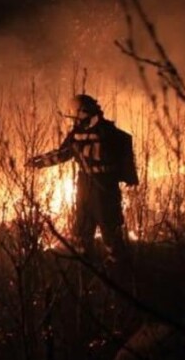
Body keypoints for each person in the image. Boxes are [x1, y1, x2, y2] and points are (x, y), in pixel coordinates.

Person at [27, 94, 138, 266]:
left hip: (105, 187)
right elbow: (63, 153)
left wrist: (129, 175)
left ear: (84, 113)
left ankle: (118, 268)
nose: (74, 122)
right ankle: (83, 268)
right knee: (82, 227)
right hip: (85, 185)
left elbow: (111, 153)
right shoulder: (76, 135)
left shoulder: (109, 133)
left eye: (75, 117)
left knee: (109, 226)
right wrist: (40, 161)